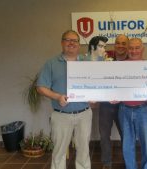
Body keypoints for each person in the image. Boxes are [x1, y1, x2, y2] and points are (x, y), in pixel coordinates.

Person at [36, 30, 92, 169]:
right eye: (68, 40)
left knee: (84, 150)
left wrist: (95, 97)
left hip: (84, 113)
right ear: (62, 43)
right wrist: (57, 96)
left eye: (75, 40)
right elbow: (40, 87)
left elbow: (96, 84)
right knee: (59, 151)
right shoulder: (51, 63)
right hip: (61, 115)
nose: (71, 43)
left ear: (79, 45)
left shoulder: (87, 62)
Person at [118, 38, 147, 169]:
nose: (134, 51)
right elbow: (115, 86)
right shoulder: (119, 66)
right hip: (124, 109)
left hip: (144, 109)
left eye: (137, 48)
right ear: (127, 49)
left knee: (146, 145)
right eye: (131, 48)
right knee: (127, 145)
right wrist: (113, 95)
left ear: (142, 49)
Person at [98, 34, 129, 169]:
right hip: (106, 104)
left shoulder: (132, 61)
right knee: (104, 135)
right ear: (114, 44)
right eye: (118, 43)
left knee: (126, 135)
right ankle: (106, 163)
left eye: (123, 43)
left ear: (127, 45)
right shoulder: (105, 58)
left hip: (125, 105)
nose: (120, 45)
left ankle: (128, 160)